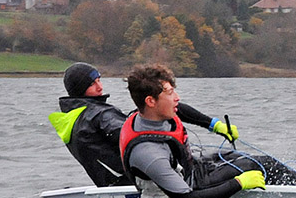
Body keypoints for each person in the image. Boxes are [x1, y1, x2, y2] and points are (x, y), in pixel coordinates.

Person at [119, 64, 296, 198]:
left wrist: (216, 126)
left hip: (192, 168)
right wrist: (239, 184)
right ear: (150, 101)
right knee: (257, 164)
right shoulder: (149, 154)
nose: (177, 98)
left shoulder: (150, 112)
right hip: (189, 190)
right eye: (170, 93)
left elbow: (181, 109)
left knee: (236, 155)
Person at [48, 62, 240, 187]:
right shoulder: (100, 115)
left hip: (117, 186)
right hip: (147, 183)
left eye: (99, 80)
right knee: (235, 159)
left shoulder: (72, 120)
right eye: (92, 84)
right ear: (79, 89)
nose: (100, 87)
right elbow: (135, 137)